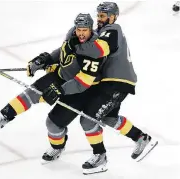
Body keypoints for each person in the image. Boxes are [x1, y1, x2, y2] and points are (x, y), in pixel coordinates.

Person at [39, 2, 158, 175]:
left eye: (103, 16)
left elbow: (97, 51)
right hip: (112, 82)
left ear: (113, 16)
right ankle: (141, 138)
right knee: (108, 118)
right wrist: (55, 60)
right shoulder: (103, 32)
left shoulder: (113, 29)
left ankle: (100, 156)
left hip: (116, 82)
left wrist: (75, 47)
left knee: (88, 119)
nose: (99, 19)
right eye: (98, 16)